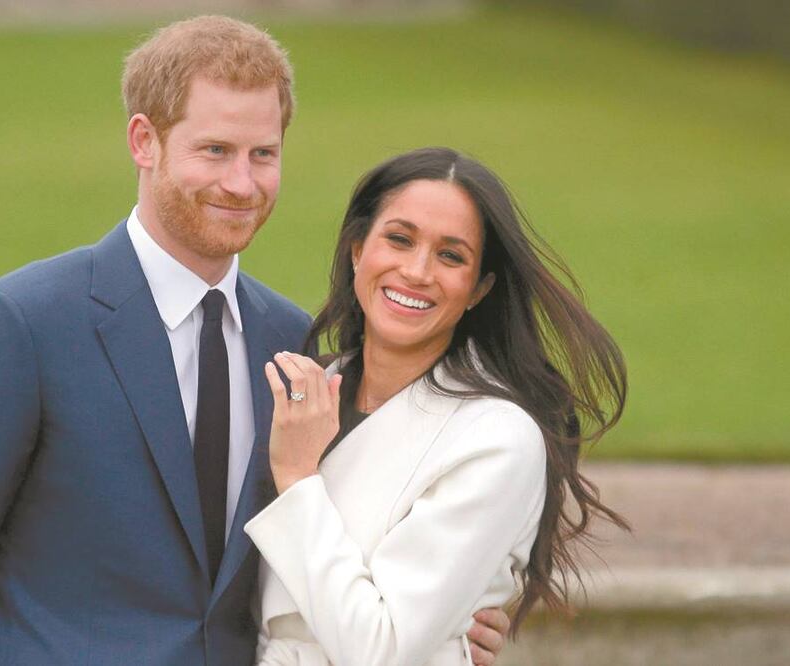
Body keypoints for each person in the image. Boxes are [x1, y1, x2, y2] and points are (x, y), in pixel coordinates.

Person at [0, 17, 507, 666]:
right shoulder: (18, 326)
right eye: (215, 151)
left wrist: (444, 621)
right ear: (144, 142)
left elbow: (332, 536)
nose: (241, 183)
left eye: (262, 154)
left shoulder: (294, 343)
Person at [242, 147, 629, 665]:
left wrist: (297, 479)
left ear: (478, 289)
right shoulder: (309, 390)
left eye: (451, 256)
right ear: (358, 250)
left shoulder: (495, 437)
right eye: (399, 239)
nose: (418, 271)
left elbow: (383, 651)